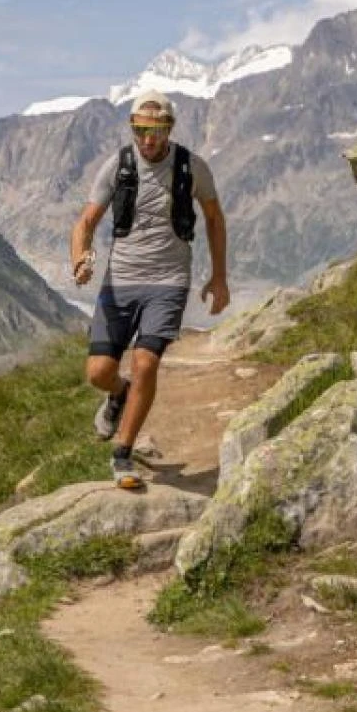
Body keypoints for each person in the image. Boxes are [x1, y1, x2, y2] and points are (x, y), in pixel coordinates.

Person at [69, 91, 229, 490]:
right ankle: (118, 394)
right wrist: (80, 259)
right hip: (120, 281)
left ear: (169, 129)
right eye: (140, 130)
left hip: (168, 281)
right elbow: (85, 222)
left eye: (156, 131)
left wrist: (219, 277)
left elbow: (214, 218)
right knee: (98, 373)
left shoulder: (192, 167)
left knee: (145, 363)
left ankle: (122, 454)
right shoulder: (118, 166)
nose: (148, 139)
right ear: (132, 128)